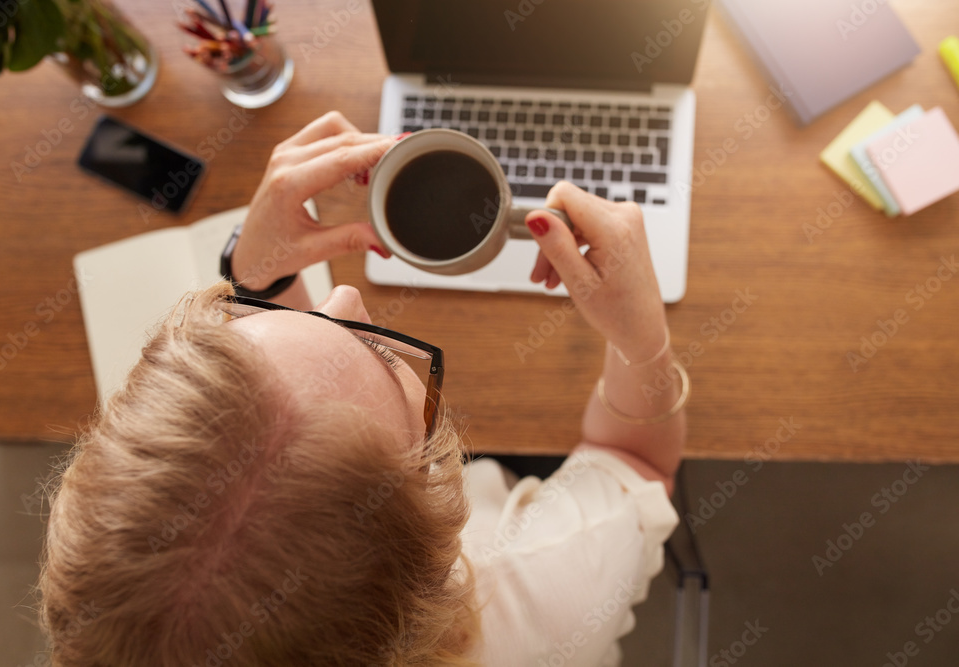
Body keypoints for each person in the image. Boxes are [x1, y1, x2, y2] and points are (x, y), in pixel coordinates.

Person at [39, 112, 687, 666]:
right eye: (378, 354)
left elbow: (304, 408)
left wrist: (259, 277)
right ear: (429, 551)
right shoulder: (550, 593)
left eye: (246, 324)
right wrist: (641, 337)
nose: (344, 294)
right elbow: (635, 464)